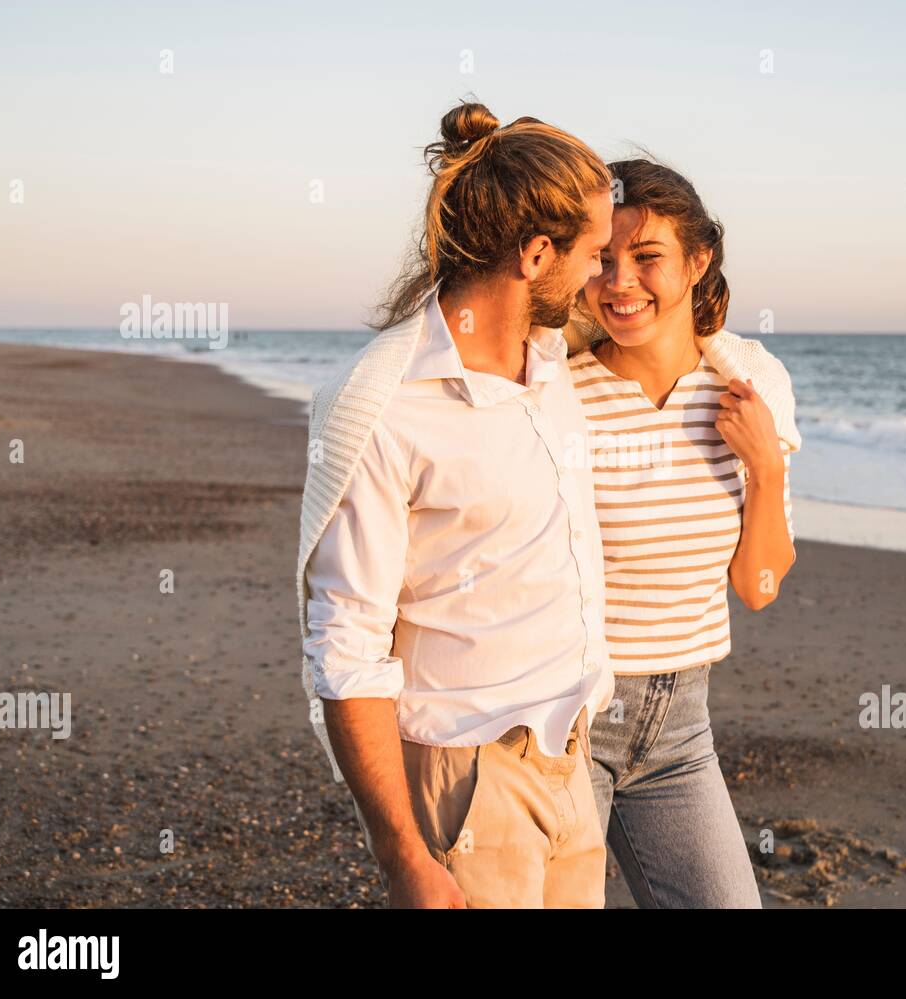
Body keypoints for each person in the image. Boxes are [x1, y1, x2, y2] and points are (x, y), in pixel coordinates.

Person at [295, 101, 615, 908]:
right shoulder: (385, 405)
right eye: (594, 255)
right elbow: (347, 647)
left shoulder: (547, 359)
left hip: (570, 764)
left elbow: (662, 323)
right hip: (470, 786)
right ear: (536, 254)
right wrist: (404, 856)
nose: (602, 279)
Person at [565, 157, 801, 907]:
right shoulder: (557, 394)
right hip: (567, 725)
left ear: (698, 260)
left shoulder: (747, 393)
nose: (620, 281)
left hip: (681, 728)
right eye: (602, 259)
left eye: (646, 257)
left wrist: (766, 468)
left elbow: (758, 588)